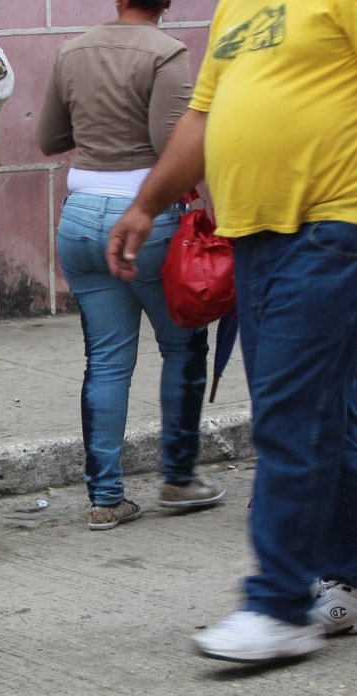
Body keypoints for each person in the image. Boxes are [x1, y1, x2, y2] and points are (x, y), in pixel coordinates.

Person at [106, 0, 356, 661]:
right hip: (255, 238)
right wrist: (146, 204)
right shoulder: (234, 9)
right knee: (328, 416)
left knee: (289, 418)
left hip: (332, 227)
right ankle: (343, 575)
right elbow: (202, 119)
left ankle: (278, 606)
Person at [36, 0, 224, 531]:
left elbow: (49, 139)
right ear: (167, 3)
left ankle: (105, 497)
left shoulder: (72, 50)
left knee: (106, 361)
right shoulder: (169, 53)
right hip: (147, 217)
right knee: (184, 345)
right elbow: (173, 144)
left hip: (79, 217)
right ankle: (179, 477)